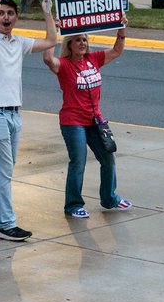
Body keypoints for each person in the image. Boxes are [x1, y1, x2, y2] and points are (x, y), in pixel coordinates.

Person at [0, 0, 58, 240]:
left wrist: (47, 12)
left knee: (3, 170)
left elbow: (52, 40)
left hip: (13, 114)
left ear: (16, 18)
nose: (6, 18)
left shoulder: (18, 42)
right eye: (1, 13)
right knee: (3, 171)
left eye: (10, 14)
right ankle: (4, 223)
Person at [43, 29, 131, 218]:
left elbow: (116, 51)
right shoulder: (64, 65)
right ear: (69, 45)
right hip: (72, 121)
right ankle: (73, 205)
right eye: (77, 40)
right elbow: (48, 60)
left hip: (95, 120)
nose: (82, 43)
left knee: (108, 158)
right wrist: (54, 32)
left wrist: (121, 31)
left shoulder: (94, 59)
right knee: (79, 161)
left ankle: (109, 198)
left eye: (84, 39)